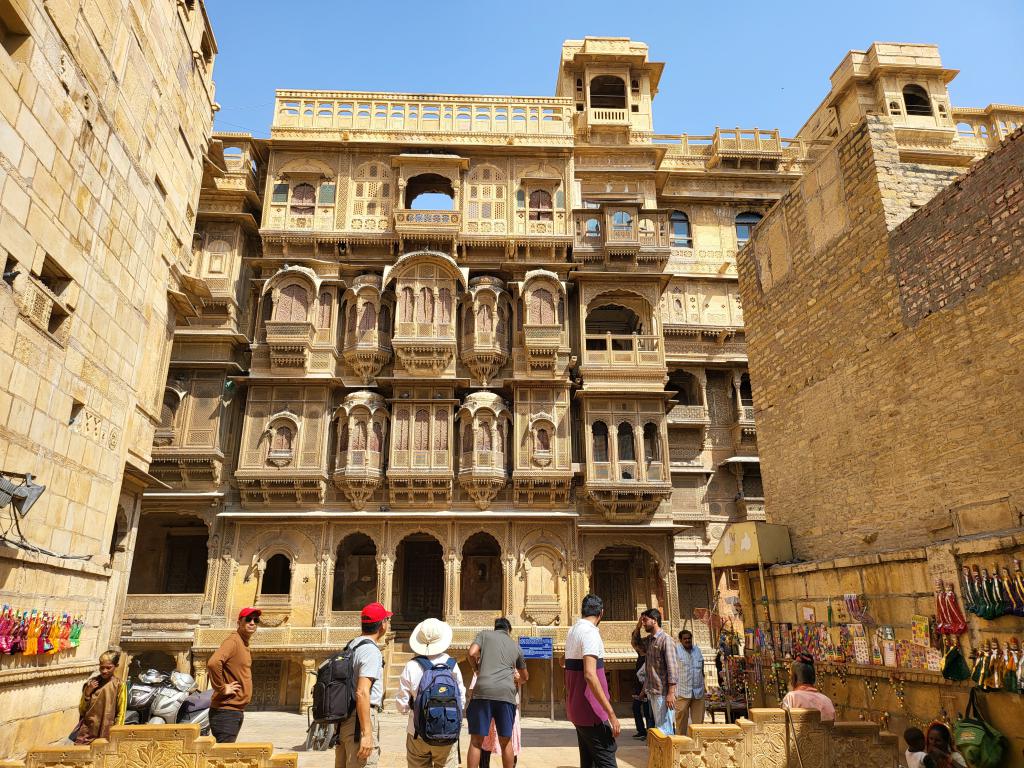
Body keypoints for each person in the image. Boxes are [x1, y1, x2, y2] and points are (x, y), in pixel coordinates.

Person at [395, 618, 466, 768]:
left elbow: (402, 706)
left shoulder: (411, 666)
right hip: (447, 732)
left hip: (417, 733)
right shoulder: (452, 665)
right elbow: (461, 700)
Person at [565, 594, 620, 768]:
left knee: (588, 761)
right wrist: (611, 713)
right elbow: (589, 674)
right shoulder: (590, 633)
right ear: (601, 613)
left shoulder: (572, 631)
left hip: (577, 708)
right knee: (606, 761)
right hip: (592, 711)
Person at [467, 617, 528, 768]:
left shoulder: (484, 635)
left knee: (476, 741)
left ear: (495, 628)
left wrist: (476, 669)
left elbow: (471, 652)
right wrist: (518, 679)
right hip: (506, 695)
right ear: (509, 631)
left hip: (482, 692)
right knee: (505, 741)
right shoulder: (516, 646)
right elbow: (525, 677)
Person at [336, 602, 391, 768]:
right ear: (382, 625)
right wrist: (367, 734)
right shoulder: (370, 651)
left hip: (345, 719)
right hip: (358, 721)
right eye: (387, 620)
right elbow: (362, 692)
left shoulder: (352, 644)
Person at [207, 607, 259, 743]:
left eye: (256, 620)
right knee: (223, 757)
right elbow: (213, 663)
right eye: (248, 619)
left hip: (234, 711)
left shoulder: (243, 642)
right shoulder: (233, 641)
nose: (252, 623)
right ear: (239, 622)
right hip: (225, 711)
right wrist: (222, 688)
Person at [630, 608, 677, 736]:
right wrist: (638, 627)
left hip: (663, 693)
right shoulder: (650, 641)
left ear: (655, 620)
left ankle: (668, 755)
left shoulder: (665, 640)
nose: (643, 623)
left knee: (665, 730)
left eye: (645, 620)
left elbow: (672, 668)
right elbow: (636, 644)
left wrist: (671, 693)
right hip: (653, 691)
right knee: (659, 728)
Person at [72, 650, 126, 744]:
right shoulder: (91, 683)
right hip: (88, 730)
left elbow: (121, 712)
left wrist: (117, 731)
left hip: (107, 729)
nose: (104, 671)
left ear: (116, 666)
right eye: (102, 668)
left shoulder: (119, 685)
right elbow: (82, 710)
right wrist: (87, 693)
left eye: (108, 668)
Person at [477, 670, 522, 768]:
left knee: (485, 743)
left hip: (491, 707)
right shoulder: (511, 665)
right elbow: (523, 678)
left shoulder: (485, 665)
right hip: (506, 707)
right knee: (508, 742)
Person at [780, 653, 835, 722]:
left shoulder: (791, 698)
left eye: (790, 676)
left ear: (794, 678)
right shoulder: (827, 701)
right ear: (813, 677)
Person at [674, 630, 705, 736]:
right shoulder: (676, 651)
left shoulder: (697, 650)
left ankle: (697, 743)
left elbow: (702, 667)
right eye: (685, 638)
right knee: (681, 721)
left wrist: (703, 683)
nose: (687, 640)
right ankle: (681, 744)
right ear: (681, 640)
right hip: (682, 691)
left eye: (689, 638)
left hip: (698, 691)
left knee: (698, 723)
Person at [630, 654, 654, 740]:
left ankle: (649, 733)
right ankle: (642, 731)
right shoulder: (640, 657)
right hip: (639, 690)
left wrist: (643, 691)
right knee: (636, 708)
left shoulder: (647, 657)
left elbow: (647, 677)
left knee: (648, 712)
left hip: (646, 691)